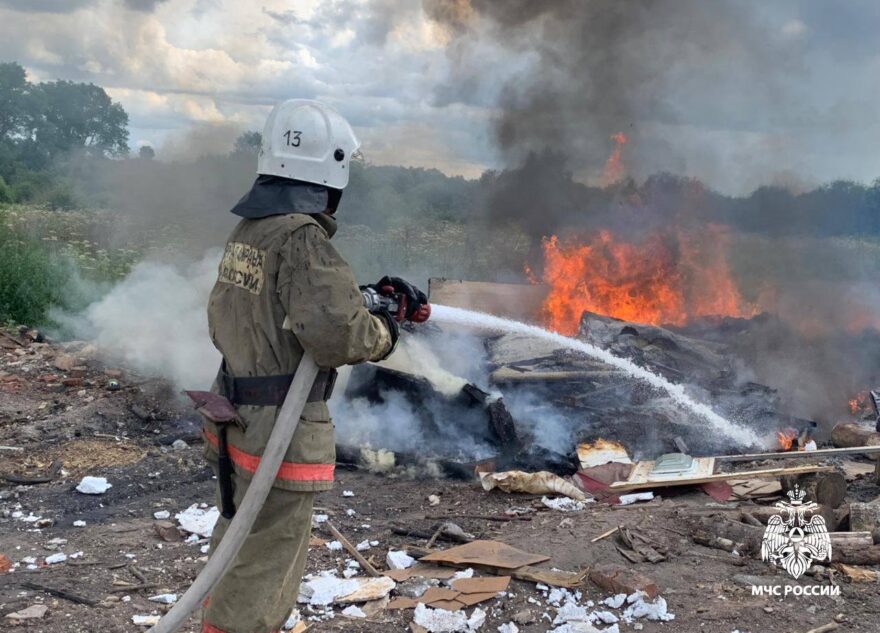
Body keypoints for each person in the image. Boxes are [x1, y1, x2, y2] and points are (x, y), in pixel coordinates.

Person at [200, 99, 427, 633]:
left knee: (237, 543)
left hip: (234, 415)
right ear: (333, 172)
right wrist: (385, 330)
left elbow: (272, 310)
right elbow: (336, 336)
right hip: (278, 430)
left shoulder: (252, 231)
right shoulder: (302, 237)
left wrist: (364, 295)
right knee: (266, 564)